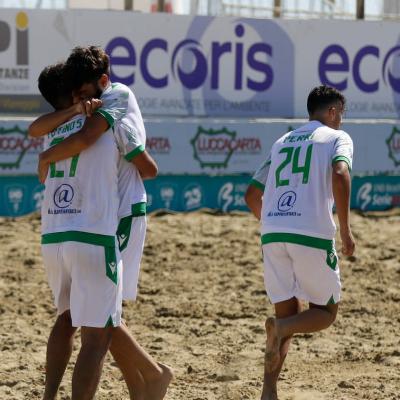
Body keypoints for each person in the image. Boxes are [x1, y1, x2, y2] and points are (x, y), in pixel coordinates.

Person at [30, 51, 172, 400]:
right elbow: (145, 166)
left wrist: (46, 154)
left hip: (60, 229)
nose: (82, 99)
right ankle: (151, 377)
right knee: (100, 322)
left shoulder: (59, 125)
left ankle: (145, 381)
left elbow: (37, 129)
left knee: (80, 316)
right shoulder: (102, 111)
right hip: (108, 220)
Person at [245, 85, 355, 400]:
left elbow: (251, 195)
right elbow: (340, 174)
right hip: (310, 232)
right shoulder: (337, 138)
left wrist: (275, 223)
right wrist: (346, 230)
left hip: (272, 233)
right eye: (341, 115)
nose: (341, 121)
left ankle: (268, 390)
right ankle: (279, 330)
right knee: (326, 313)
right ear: (332, 112)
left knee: (287, 315)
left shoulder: (282, 141)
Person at [36, 62, 124, 400]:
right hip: (91, 234)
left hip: (54, 235)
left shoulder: (54, 127)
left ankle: (48, 396)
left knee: (65, 319)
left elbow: (36, 141)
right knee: (97, 338)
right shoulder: (98, 116)